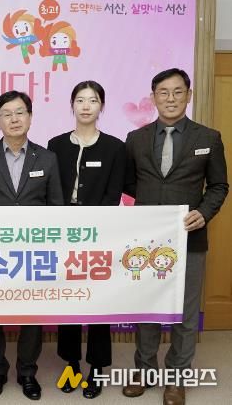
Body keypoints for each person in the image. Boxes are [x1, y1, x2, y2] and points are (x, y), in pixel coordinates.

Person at [123, 68, 228, 405]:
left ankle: (177, 378)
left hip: (190, 239)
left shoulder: (208, 138)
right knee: (148, 308)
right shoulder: (135, 139)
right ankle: (144, 369)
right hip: (147, 240)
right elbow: (129, 183)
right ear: (153, 97)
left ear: (189, 95)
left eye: (177, 92)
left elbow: (219, 186)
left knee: (185, 312)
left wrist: (204, 212)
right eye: (163, 92)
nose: (170, 99)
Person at [0, 90, 63, 401]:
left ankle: (27, 372)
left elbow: (56, 207)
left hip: (34, 250)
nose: (14, 119)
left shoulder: (48, 158)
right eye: (7, 114)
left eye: (20, 113)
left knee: (32, 314)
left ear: (30, 117)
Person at [47, 80, 125, 399]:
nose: (86, 106)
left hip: (99, 233)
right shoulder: (56, 145)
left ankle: (97, 368)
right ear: (72, 105)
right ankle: (71, 365)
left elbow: (113, 193)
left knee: (97, 303)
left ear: (101, 106)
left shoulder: (115, 147)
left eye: (92, 100)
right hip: (64, 233)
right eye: (80, 100)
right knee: (69, 301)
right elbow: (52, 190)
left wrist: (92, 226)